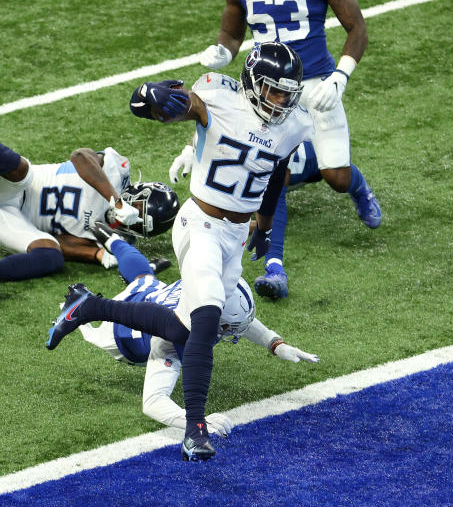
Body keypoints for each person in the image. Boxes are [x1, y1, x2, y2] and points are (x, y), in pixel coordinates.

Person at [52, 42, 313, 461]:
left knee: (183, 331)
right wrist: (152, 98)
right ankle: (195, 430)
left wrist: (263, 229)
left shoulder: (295, 124)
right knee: (208, 314)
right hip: (200, 224)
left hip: (235, 234)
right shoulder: (217, 96)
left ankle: (89, 306)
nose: (282, 101)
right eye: (274, 90)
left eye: (288, 93)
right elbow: (164, 106)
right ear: (250, 83)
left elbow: (276, 174)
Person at [197, 0, 383, 250]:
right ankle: (271, 257)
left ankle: (358, 187)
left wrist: (339, 78)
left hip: (314, 80)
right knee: (265, 168)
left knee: (337, 177)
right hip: (264, 90)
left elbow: (357, 28)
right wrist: (223, 50)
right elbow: (234, 31)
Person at [0, 89, 178, 300]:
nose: (132, 223)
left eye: (141, 227)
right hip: (1, 185)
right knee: (22, 170)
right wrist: (113, 199)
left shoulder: (118, 239)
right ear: (137, 192)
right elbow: (80, 156)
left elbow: (63, 242)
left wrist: (98, 253)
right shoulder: (116, 171)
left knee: (51, 257)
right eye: (139, 212)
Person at [64, 227, 318, 437]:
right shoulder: (172, 338)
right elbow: (153, 403)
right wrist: (196, 421)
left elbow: (238, 319)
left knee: (143, 276)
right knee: (145, 285)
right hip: (119, 335)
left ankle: (112, 238)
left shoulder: (208, 285)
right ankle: (85, 301)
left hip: (151, 292)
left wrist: (274, 342)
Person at [171, 139, 322, 299]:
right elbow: (209, 117)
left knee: (338, 178)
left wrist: (263, 230)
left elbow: (274, 188)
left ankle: (275, 269)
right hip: (253, 159)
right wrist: (191, 146)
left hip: (300, 161)